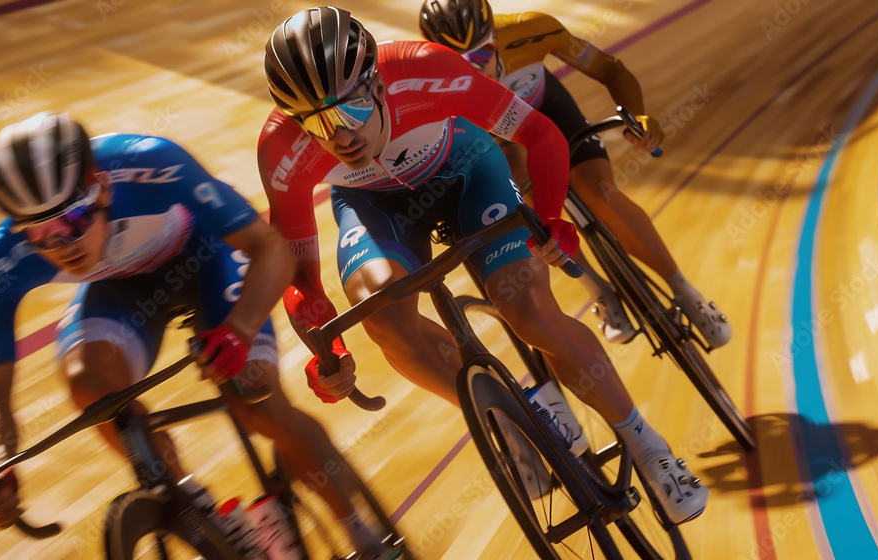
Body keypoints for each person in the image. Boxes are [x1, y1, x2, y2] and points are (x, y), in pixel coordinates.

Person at [259, 6, 708, 524]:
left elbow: (540, 134)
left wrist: (551, 217)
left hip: (465, 169)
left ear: (378, 85)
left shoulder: (426, 68)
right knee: (381, 312)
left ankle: (650, 448)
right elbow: (297, 274)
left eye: (350, 112)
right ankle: (505, 414)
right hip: (373, 205)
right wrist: (327, 347)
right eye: (317, 123)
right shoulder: (281, 148)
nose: (340, 136)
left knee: (530, 314)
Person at [0, 112, 393, 558]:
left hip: (208, 254)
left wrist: (239, 330)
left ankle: (361, 533)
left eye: (74, 219)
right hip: (123, 288)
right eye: (41, 234)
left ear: (102, 188)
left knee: (259, 401)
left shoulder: (150, 162)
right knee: (89, 385)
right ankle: (196, 507)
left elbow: (271, 249)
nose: (63, 245)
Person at [419, 0, 731, 347]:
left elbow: (610, 69)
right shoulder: (423, 74)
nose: (477, 70)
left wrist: (637, 116)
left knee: (601, 194)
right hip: (501, 138)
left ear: (496, 35)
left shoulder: (531, 29)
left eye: (483, 55)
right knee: (530, 203)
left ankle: (684, 290)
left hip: (546, 110)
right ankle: (597, 289)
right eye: (462, 65)